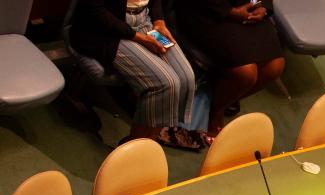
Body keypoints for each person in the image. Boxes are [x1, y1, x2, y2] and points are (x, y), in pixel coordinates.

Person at [68, 0, 201, 149]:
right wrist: (139, 37)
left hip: (145, 21)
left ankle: (150, 140)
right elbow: (94, 11)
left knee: (186, 78)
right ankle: (131, 148)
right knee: (165, 83)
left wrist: (159, 21)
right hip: (106, 31)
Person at [175, 0, 285, 137]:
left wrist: (264, 6)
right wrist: (230, 12)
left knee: (274, 66)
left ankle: (225, 98)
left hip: (247, 6)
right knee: (246, 73)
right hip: (207, 12)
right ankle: (215, 112)